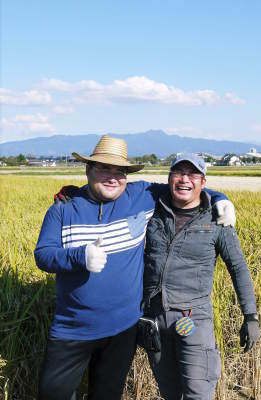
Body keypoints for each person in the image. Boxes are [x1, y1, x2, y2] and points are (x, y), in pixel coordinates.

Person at [34, 135, 236, 400]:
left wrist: (220, 198)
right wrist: (79, 257)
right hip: (73, 329)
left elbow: (186, 189)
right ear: (88, 170)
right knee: (52, 394)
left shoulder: (140, 196)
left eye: (120, 171)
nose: (112, 177)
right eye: (104, 168)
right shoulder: (64, 208)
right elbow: (43, 255)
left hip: (123, 329)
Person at [142, 153, 260, 400]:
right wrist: (76, 195)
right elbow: (114, 188)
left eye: (193, 174)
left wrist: (250, 315)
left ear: (203, 182)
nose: (185, 179)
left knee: (198, 393)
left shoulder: (217, 220)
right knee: (169, 393)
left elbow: (238, 267)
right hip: (154, 319)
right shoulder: (153, 211)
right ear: (169, 178)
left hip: (194, 318)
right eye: (178, 173)